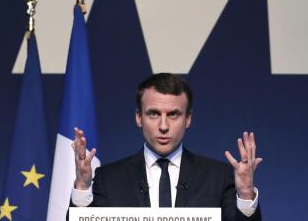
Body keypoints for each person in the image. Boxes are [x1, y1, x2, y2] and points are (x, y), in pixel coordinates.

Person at [70, 73, 262, 221]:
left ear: (188, 119)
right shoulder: (109, 179)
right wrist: (81, 187)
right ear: (139, 117)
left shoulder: (219, 177)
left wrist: (245, 195)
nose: (163, 126)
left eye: (173, 114)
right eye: (153, 114)